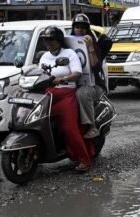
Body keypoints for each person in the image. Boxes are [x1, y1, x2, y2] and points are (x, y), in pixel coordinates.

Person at [39, 26, 94, 172]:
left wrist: (62, 79)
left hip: (66, 93)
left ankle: (84, 160)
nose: (48, 43)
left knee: (69, 128)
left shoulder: (69, 53)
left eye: (51, 40)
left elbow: (77, 73)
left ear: (59, 40)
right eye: (46, 40)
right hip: (47, 94)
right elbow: (40, 73)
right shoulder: (44, 56)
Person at [70, 14, 105, 139]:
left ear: (87, 30)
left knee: (82, 93)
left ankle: (92, 126)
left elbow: (95, 66)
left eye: (83, 28)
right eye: (77, 27)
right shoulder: (67, 45)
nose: (80, 30)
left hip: (93, 84)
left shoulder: (93, 44)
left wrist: (90, 47)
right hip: (71, 81)